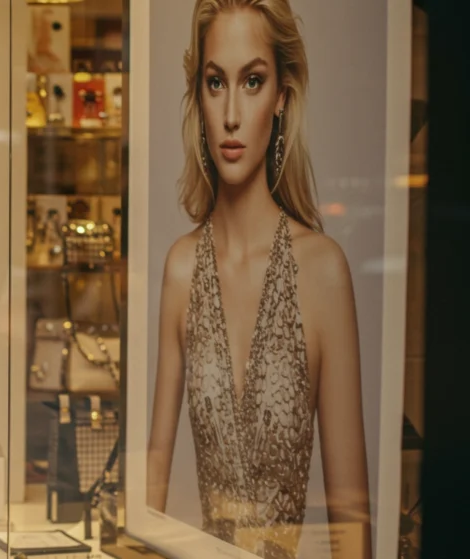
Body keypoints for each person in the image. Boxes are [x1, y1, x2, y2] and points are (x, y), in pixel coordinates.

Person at [145, 1, 371, 558]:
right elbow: (149, 501)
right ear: (198, 96)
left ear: (281, 97)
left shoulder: (323, 271)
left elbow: (352, 528)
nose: (230, 114)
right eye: (215, 82)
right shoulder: (181, 269)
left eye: (252, 82)